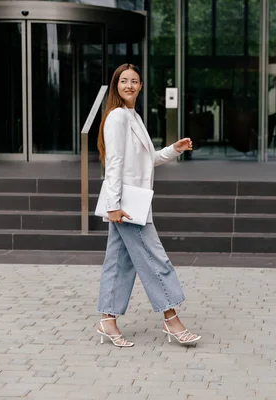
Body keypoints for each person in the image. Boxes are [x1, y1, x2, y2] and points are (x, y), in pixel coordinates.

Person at [95, 63, 200, 348]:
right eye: (124, 81)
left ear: (140, 87)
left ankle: (107, 320)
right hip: (127, 206)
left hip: (133, 203)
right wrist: (113, 205)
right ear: (116, 85)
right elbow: (114, 163)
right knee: (155, 260)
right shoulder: (117, 117)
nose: (129, 85)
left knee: (119, 263)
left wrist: (173, 150)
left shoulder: (133, 116)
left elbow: (147, 159)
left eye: (135, 81)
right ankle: (171, 318)